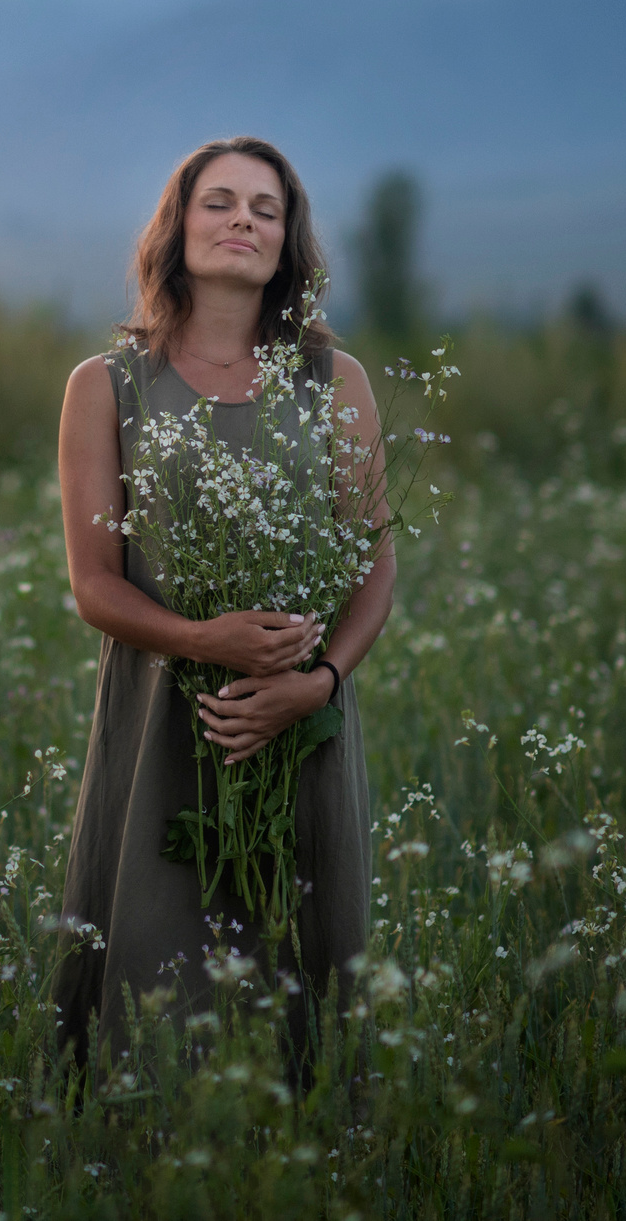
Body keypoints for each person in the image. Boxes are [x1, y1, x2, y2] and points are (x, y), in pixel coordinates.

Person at [50, 135, 389, 1068]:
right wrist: (209, 640)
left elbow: (375, 567)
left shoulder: (335, 382)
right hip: (168, 716)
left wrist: (314, 685)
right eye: (219, 201)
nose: (243, 218)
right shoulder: (105, 386)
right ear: (177, 226)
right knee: (155, 1002)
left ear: (287, 245)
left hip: (301, 728)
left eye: (266, 209)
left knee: (301, 988)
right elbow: (95, 583)